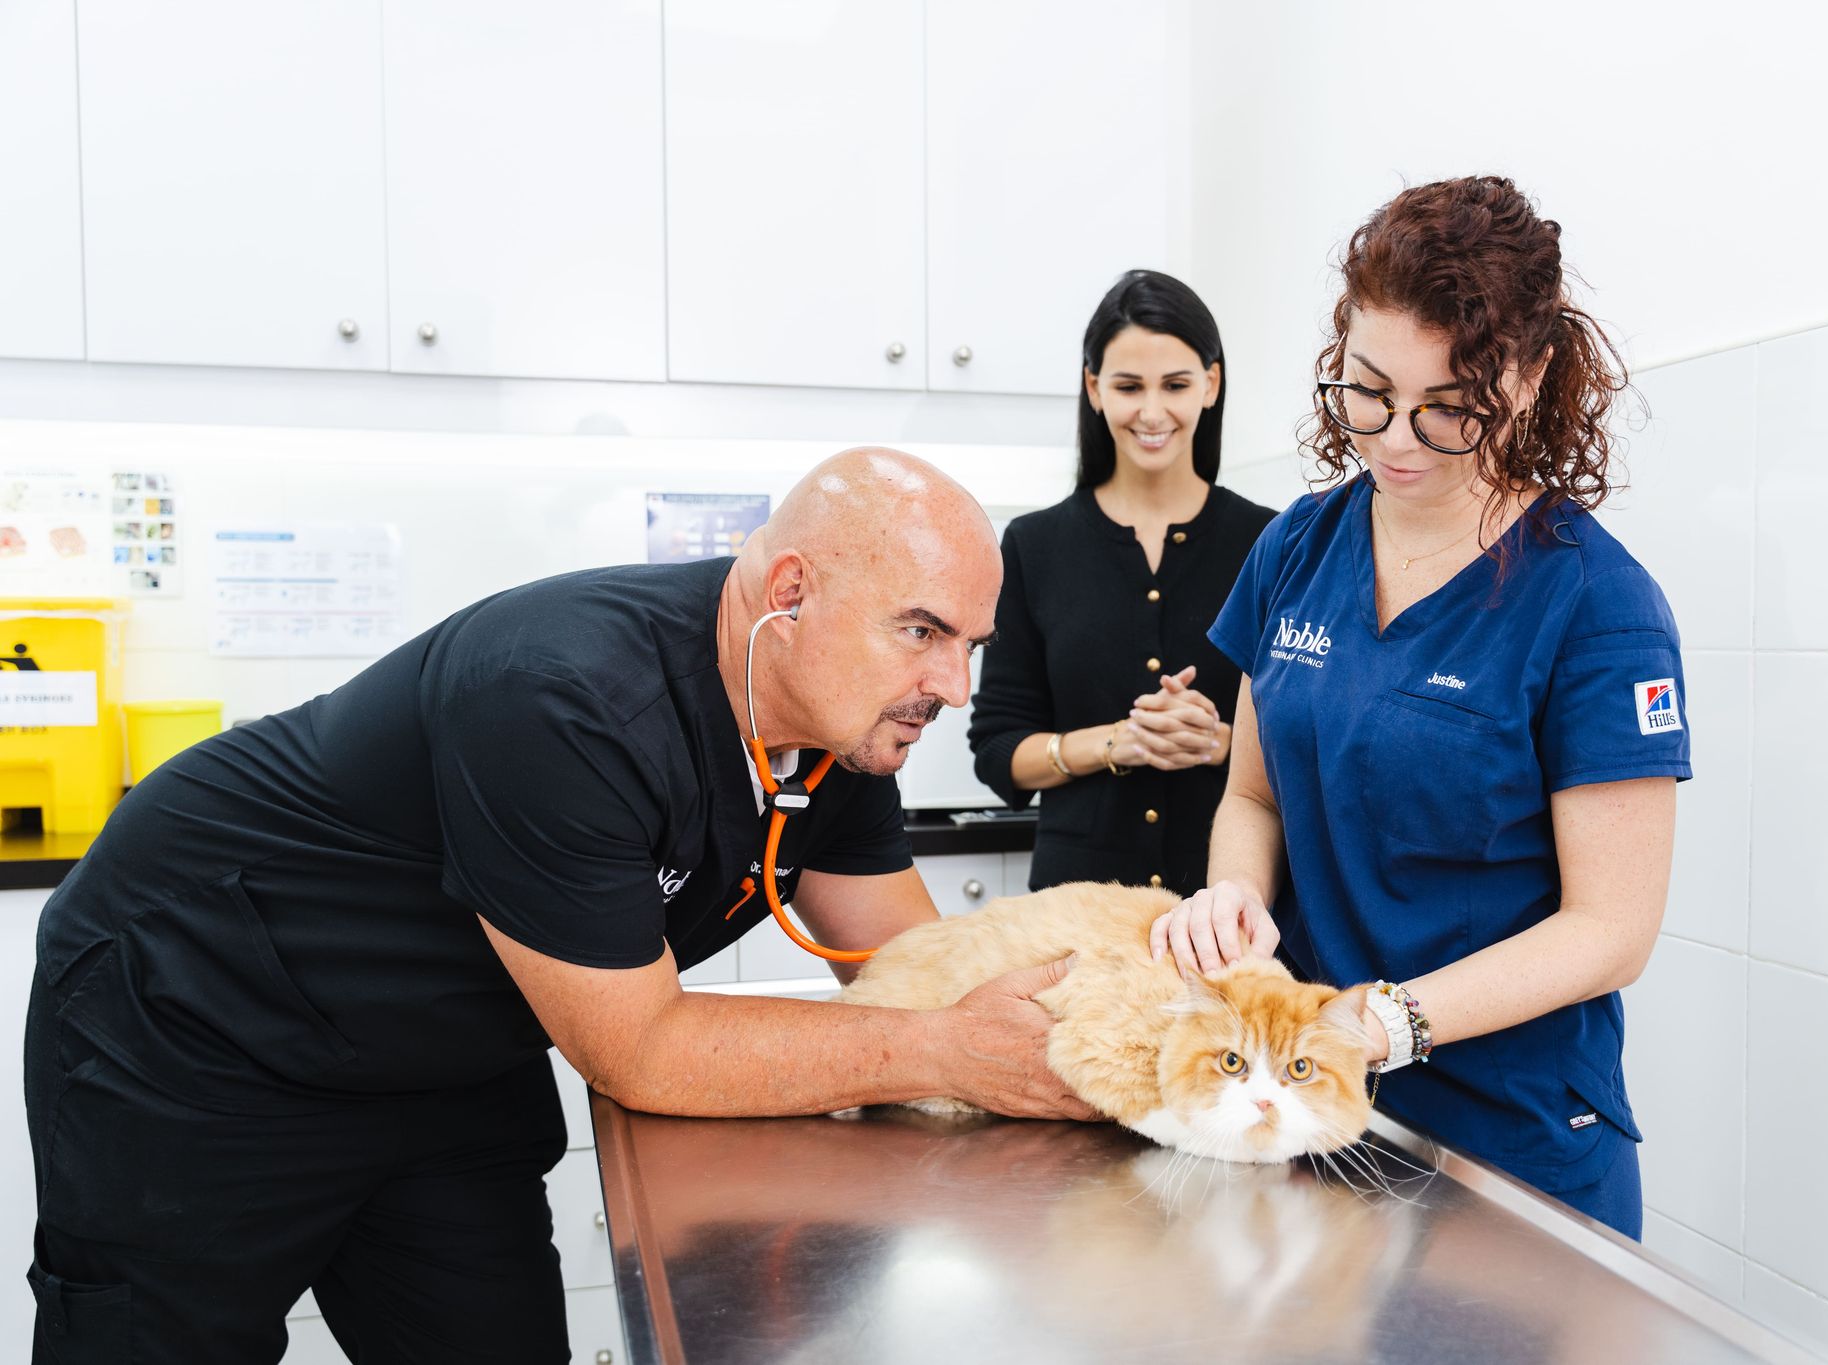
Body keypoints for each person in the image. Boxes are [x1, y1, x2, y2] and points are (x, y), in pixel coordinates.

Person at [24, 448, 1093, 1364]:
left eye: (971, 646)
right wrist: (946, 1054)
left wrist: (1128, 1028)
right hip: (197, 1005)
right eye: (921, 631)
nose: (953, 688)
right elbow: (646, 1051)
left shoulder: (840, 738)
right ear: (789, 593)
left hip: (443, 1057)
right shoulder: (561, 694)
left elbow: (917, 975)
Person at [1150, 177, 1689, 1238]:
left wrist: (1388, 1024)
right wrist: (1229, 900)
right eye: (1364, 391)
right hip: (1306, 1119)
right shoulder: (1296, 549)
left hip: (1507, 1152)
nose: (1394, 438)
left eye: (1448, 407)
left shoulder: (1593, 603)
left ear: (1527, 381)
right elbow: (1251, 798)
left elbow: (1610, 931)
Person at [968, 269, 1275, 895]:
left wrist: (1219, 742)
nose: (1152, 411)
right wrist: (1120, 742)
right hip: (1075, 911)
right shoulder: (1033, 546)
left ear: (1211, 385)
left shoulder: (1272, 542)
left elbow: (1310, 741)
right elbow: (998, 751)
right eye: (1129, 386)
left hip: (1230, 905)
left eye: (1177, 384)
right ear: (1094, 388)